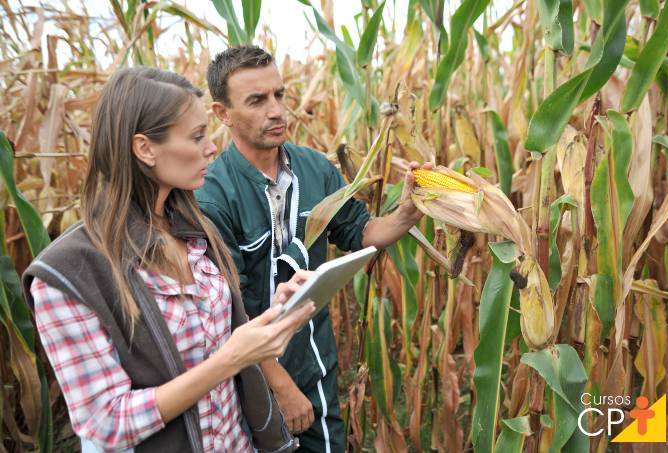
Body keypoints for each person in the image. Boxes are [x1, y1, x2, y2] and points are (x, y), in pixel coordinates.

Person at [21, 67, 316, 453]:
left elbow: (220, 334)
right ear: (145, 148)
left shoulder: (195, 229)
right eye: (196, 136)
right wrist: (230, 359)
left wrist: (277, 314)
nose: (212, 147)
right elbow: (106, 424)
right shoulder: (68, 274)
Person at [196, 45, 430, 453]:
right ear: (222, 114)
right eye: (256, 100)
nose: (276, 110)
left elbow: (360, 231)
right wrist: (281, 387)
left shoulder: (315, 170)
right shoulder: (213, 195)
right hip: (248, 372)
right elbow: (227, 310)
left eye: (279, 95)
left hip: (313, 357)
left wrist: (408, 211)